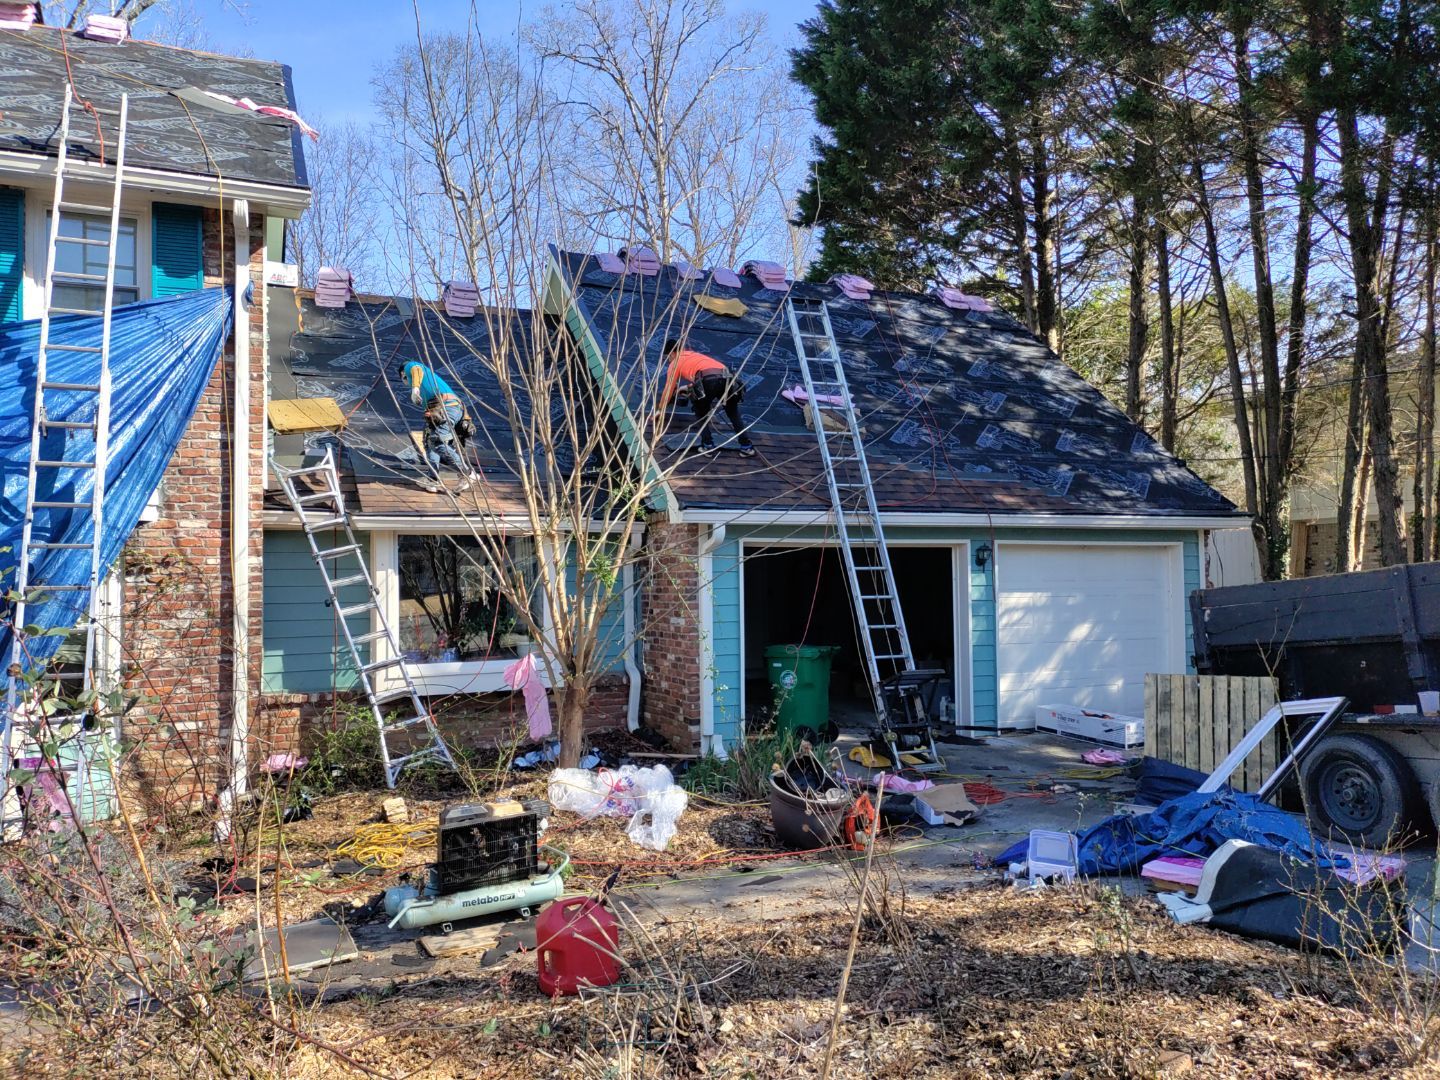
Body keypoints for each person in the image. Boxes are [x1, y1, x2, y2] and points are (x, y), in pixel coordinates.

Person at [658, 338, 756, 456]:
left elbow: (668, 389)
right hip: (728, 377)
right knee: (733, 413)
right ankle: (746, 447)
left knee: (701, 412)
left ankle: (708, 445)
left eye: (667, 357)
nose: (668, 361)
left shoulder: (675, 362)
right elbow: (707, 372)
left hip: (709, 380)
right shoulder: (694, 355)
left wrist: (660, 409)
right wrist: (688, 387)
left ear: (672, 353)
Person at [398, 359, 479, 492]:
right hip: (444, 409)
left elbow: (416, 368)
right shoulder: (427, 386)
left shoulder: (410, 367)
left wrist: (415, 389)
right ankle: (433, 480)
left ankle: (467, 473)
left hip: (447, 408)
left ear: (403, 374)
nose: (406, 381)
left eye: (404, 378)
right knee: (430, 442)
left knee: (438, 442)